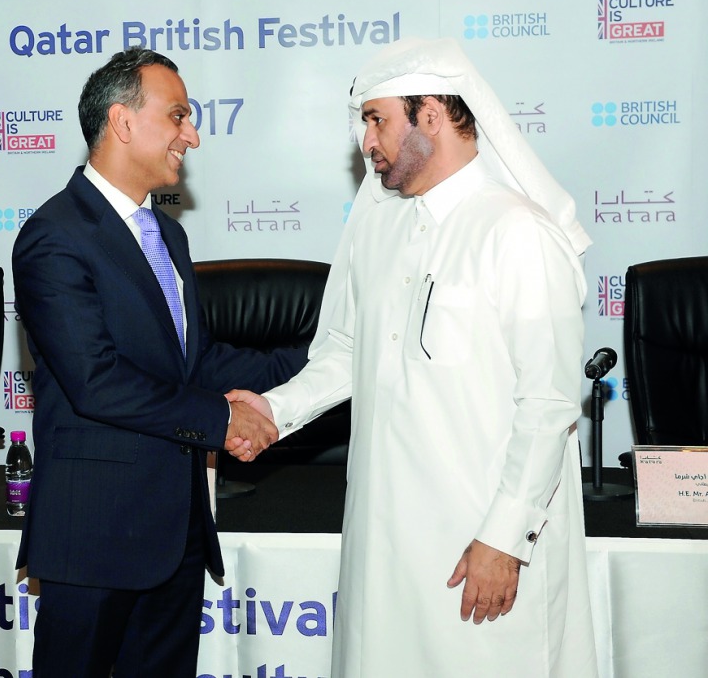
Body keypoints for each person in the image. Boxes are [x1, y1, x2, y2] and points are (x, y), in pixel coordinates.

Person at [228, 37, 599, 677]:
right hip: (383, 537)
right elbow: (348, 350)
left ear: (431, 114)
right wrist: (273, 410)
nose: (365, 143)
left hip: (477, 542)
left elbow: (548, 405)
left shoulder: (519, 232)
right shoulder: (377, 224)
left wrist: (504, 539)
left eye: (376, 120)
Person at [12, 46, 307, 677]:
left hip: (175, 537)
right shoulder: (54, 236)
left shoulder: (167, 233)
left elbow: (196, 364)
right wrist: (221, 421)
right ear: (121, 121)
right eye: (178, 116)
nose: (192, 135)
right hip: (94, 540)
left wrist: (325, 364)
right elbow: (96, 381)